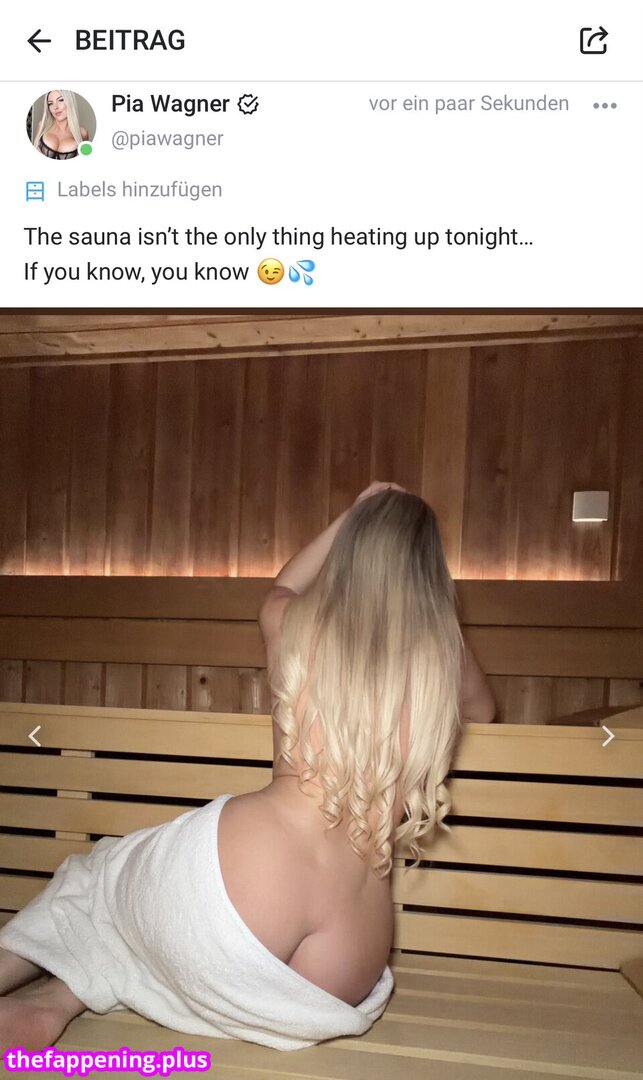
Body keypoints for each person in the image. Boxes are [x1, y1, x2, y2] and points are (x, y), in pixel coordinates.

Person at [0, 482, 495, 1051]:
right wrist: (439, 622)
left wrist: (353, 512)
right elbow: (484, 710)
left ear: (349, 551)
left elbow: (284, 584)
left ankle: (53, 990)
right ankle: (60, 996)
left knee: (99, 877)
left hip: (247, 883)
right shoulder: (445, 659)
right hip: (348, 955)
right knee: (146, 927)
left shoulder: (294, 623)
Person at [33, 90, 88, 160]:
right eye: (50, 103)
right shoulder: (42, 126)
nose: (55, 107)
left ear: (70, 102)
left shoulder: (82, 133)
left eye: (60, 100)